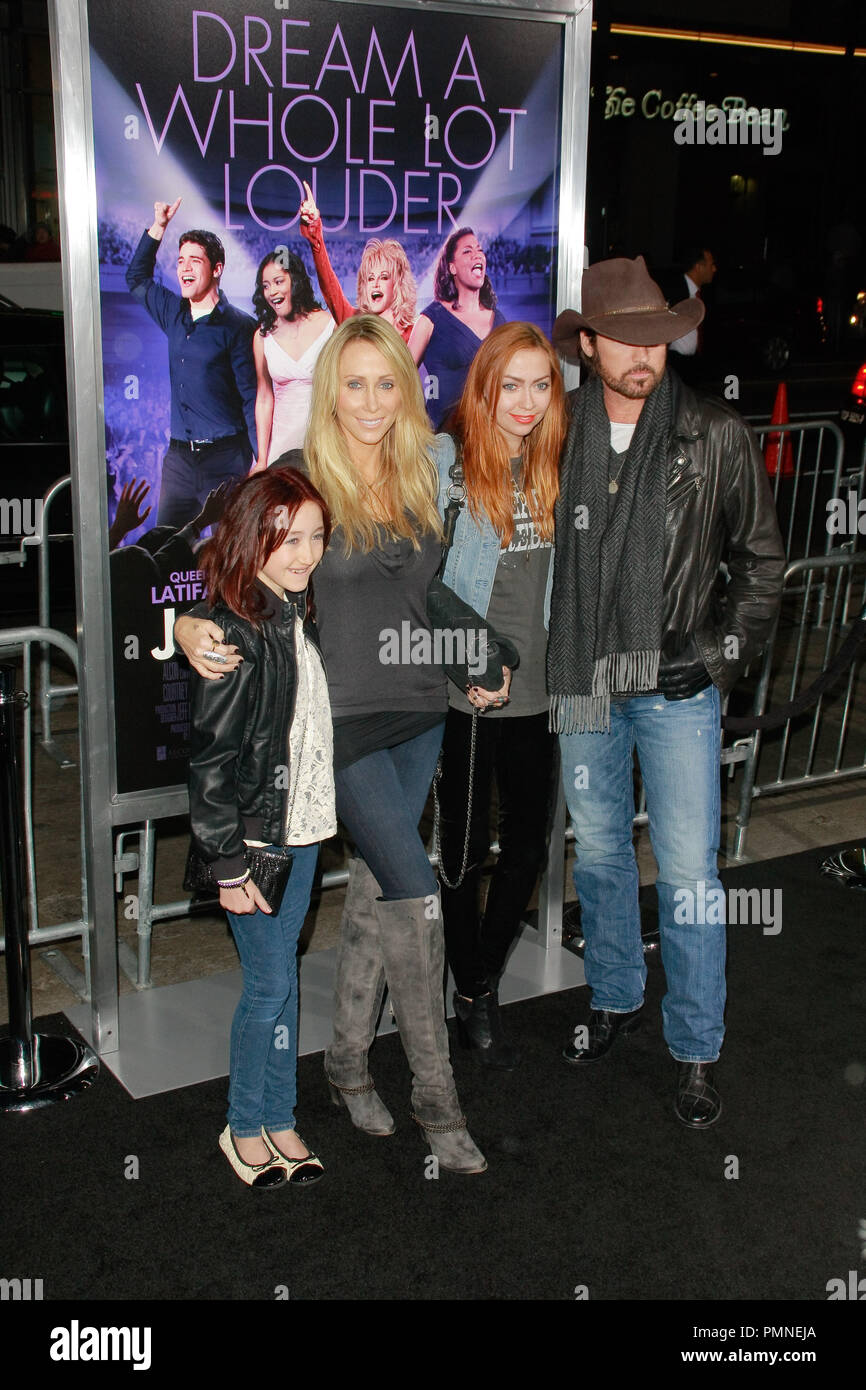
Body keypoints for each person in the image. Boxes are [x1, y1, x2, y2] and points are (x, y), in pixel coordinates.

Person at [176, 316, 498, 1174]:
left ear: (406, 388)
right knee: (415, 889)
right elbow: (231, 565)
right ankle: (438, 1101)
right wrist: (187, 623)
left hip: (420, 712)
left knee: (375, 893)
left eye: (385, 383)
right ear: (329, 391)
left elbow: (430, 599)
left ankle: (349, 1066)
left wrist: (477, 658)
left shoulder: (426, 469)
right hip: (337, 727)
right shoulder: (301, 471)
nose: (370, 401)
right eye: (353, 383)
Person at [550, 256, 784, 1127]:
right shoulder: (557, 430)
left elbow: (762, 563)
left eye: (656, 337)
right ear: (588, 345)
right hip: (583, 678)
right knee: (601, 853)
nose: (644, 354)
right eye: (624, 338)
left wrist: (717, 656)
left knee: (688, 872)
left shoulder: (713, 433)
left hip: (678, 689)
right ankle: (614, 995)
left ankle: (694, 1047)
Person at [188, 466, 336, 1188]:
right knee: (269, 984)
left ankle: (281, 1117)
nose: (305, 553)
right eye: (287, 539)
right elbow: (210, 761)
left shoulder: (297, 610)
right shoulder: (235, 630)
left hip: (303, 830)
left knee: (285, 979)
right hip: (254, 842)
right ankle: (243, 1126)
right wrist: (227, 865)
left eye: (315, 536)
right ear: (254, 539)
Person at [435, 322, 566, 1068]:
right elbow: (416, 583)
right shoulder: (444, 462)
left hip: (541, 691)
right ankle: (468, 981)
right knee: (462, 851)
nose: (525, 401)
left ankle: (478, 975)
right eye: (509, 384)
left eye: (540, 385)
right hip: (470, 693)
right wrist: (467, 662)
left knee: (526, 846)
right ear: (484, 387)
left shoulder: (556, 466)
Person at [126, 196, 258, 528]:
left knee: (228, 550)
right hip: (179, 462)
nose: (184, 268)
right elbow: (137, 278)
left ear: (217, 269)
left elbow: (251, 398)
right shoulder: (173, 312)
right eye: (181, 260)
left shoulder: (239, 326)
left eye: (194, 261)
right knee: (165, 546)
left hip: (226, 461)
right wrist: (159, 227)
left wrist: (261, 460)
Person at [409, 227, 506, 429]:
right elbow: (401, 374)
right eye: (467, 251)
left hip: (490, 436)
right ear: (452, 268)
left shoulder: (499, 321)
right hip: (444, 439)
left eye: (479, 250)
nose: (477, 255)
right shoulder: (431, 319)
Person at [298, 182, 418, 342]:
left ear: (398, 284)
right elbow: (330, 288)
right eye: (370, 278)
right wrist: (314, 229)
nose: (375, 284)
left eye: (384, 277)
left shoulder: (415, 334)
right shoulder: (354, 323)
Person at [250, 248, 335, 466]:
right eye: (265, 286)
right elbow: (264, 398)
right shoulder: (262, 337)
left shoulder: (329, 325)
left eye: (278, 282)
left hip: (324, 446)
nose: (272, 292)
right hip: (281, 448)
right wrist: (262, 459)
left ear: (295, 281)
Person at [665, 245, 717, 377]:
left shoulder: (702, 295)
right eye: (711, 265)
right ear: (699, 267)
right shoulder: (675, 290)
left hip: (693, 363)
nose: (714, 269)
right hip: (674, 364)